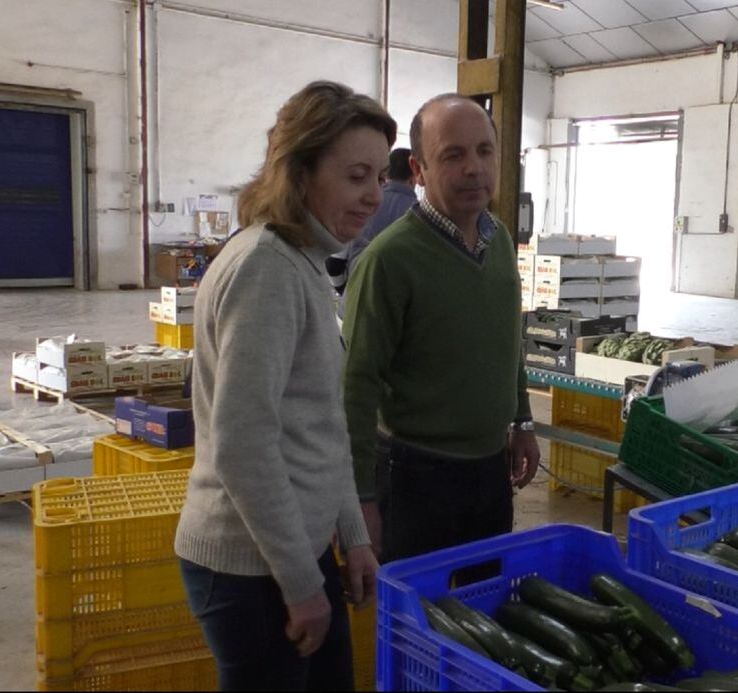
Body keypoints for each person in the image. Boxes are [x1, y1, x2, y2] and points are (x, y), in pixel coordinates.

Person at [174, 81, 395, 692]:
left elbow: (320, 426)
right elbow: (243, 443)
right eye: (356, 176)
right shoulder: (266, 269)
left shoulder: (300, 261)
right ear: (299, 173)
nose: (374, 196)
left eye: (379, 176)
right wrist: (302, 585)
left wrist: (352, 539)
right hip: (251, 566)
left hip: (292, 552)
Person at [342, 94, 541, 565]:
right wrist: (361, 502)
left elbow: (507, 338)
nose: (474, 168)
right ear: (418, 170)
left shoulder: (499, 240)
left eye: (484, 151)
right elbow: (356, 385)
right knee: (420, 621)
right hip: (416, 478)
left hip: (491, 470)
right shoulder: (388, 261)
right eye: (453, 155)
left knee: (483, 609)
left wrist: (523, 421)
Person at [325, 147, 417, 298]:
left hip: (352, 308)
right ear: (414, 176)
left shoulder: (360, 206)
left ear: (386, 173)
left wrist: (345, 292)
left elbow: (334, 263)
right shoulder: (420, 217)